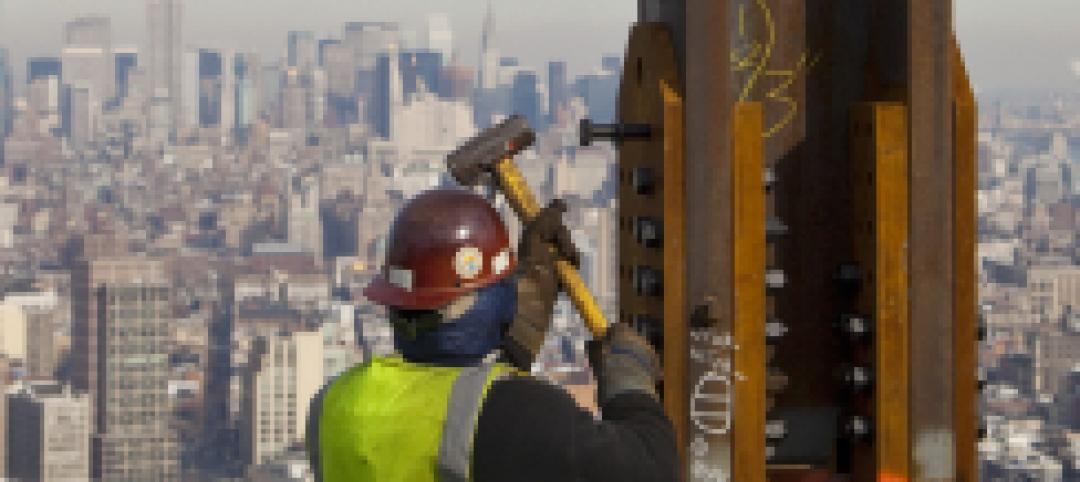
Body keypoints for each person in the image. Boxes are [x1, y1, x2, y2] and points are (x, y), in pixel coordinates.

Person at [307, 188, 677, 482]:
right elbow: (650, 466)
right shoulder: (514, 412)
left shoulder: (332, 404)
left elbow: (471, 437)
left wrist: (522, 330)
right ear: (489, 300)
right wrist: (630, 385)